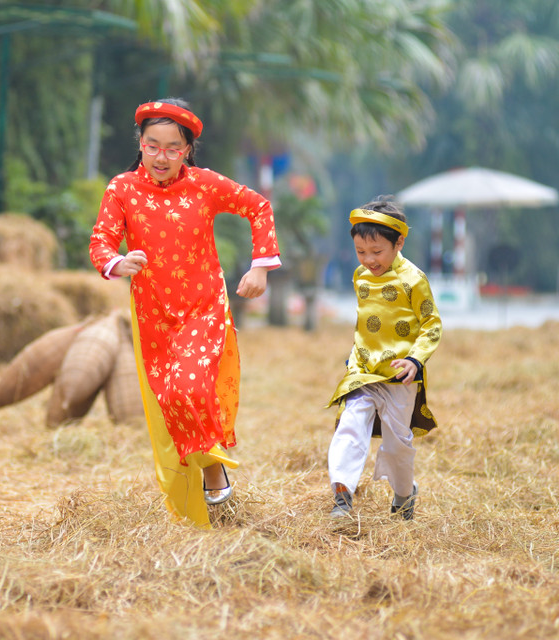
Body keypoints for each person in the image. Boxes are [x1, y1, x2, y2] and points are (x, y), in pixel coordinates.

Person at [89, 98, 281, 528]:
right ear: (139, 144)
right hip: (153, 317)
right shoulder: (121, 189)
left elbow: (258, 207)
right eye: (153, 145)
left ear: (188, 150)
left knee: (186, 389)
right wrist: (116, 263)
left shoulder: (205, 184)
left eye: (173, 147)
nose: (162, 156)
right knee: (168, 402)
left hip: (203, 309)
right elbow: (100, 240)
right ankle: (201, 497)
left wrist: (260, 266)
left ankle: (213, 473)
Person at [326, 196, 442, 520]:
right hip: (363, 371)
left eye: (376, 252)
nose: (369, 260)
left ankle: (405, 494)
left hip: (399, 376)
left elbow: (432, 324)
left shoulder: (414, 279)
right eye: (361, 252)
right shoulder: (359, 277)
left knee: (397, 444)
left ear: (399, 242)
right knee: (349, 426)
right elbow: (365, 322)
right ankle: (342, 493)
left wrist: (415, 361)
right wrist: (354, 356)